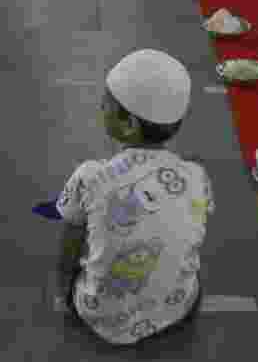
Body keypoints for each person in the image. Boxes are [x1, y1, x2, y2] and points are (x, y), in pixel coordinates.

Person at [53, 49, 214, 346]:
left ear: (129, 124)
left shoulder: (89, 176)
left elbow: (69, 243)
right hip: (177, 309)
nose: (100, 105)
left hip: (99, 316)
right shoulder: (196, 176)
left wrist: (65, 290)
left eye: (107, 104)